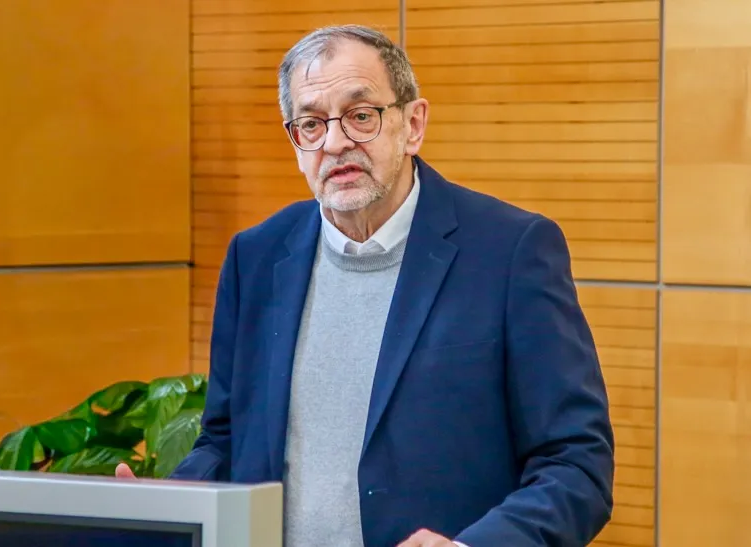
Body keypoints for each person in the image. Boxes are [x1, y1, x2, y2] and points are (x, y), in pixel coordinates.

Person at [117, 24, 614, 547]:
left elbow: (576, 464)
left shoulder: (509, 251)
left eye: (360, 116)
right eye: (311, 124)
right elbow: (226, 443)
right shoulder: (256, 257)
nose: (335, 143)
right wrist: (160, 511)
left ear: (412, 125)